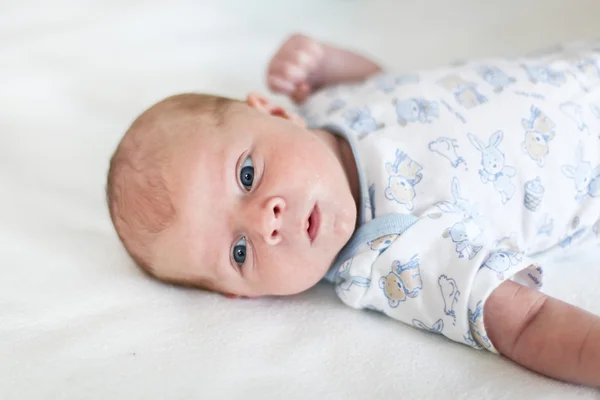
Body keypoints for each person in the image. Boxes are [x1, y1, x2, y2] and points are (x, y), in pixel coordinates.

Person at [107, 34, 600, 386]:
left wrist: (325, 62)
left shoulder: (328, 108)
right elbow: (526, 323)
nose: (265, 221)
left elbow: (390, 85)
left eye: (247, 176)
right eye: (239, 252)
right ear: (244, 296)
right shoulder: (394, 255)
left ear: (276, 113)